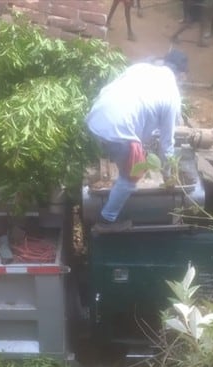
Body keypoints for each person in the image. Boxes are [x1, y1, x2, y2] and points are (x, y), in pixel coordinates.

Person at [85, 50, 187, 232]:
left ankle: (115, 173)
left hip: (95, 118)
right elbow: (167, 145)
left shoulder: (140, 68)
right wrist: (169, 175)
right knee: (132, 175)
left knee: (125, 152)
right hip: (118, 130)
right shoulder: (172, 95)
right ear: (181, 75)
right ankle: (107, 220)